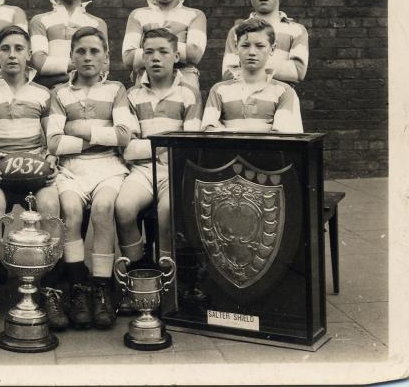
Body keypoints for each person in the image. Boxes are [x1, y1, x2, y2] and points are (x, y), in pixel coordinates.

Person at [0, 25, 60, 328]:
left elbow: (54, 137)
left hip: (34, 173)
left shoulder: (43, 94)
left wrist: (50, 159)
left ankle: (50, 289)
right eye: (5, 48)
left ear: (29, 55)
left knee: (50, 207)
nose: (12, 54)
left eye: (19, 48)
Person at [47, 26, 136, 330]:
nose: (87, 57)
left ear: (105, 57)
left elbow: (124, 136)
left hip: (107, 166)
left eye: (94, 51)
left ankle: (102, 288)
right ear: (71, 56)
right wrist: (100, 136)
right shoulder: (59, 93)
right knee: (70, 212)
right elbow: (55, 143)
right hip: (71, 168)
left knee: (102, 210)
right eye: (81, 51)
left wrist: (78, 130)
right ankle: (78, 289)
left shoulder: (116, 89)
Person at [114, 28, 202, 314]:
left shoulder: (189, 95)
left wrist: (150, 144)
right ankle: (139, 277)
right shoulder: (131, 95)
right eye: (149, 51)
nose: (155, 58)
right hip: (141, 171)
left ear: (176, 56)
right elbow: (127, 147)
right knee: (124, 207)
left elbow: (189, 145)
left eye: (163, 51)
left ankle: (168, 285)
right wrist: (165, 143)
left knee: (166, 213)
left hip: (175, 171)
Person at [121, 0, 207, 91]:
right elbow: (128, 58)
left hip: (184, 87)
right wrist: (175, 45)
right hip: (145, 88)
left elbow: (195, 54)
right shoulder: (138, 15)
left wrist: (148, 48)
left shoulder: (194, 15)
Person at [203, 17, 303, 133]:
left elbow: (282, 137)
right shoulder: (219, 90)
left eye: (260, 46)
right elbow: (208, 131)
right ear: (236, 48)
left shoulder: (284, 92)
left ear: (272, 49)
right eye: (245, 46)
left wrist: (227, 131)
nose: (252, 52)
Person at [221, 0, 309, 84]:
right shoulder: (237, 30)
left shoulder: (296, 30)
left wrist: (249, 64)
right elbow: (228, 73)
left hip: (282, 99)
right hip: (245, 98)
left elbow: (297, 71)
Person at [30, 0, 108, 89]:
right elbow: (39, 64)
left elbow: (104, 66)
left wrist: (57, 71)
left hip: (86, 94)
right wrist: (83, 67)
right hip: (50, 92)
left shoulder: (97, 24)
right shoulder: (40, 20)